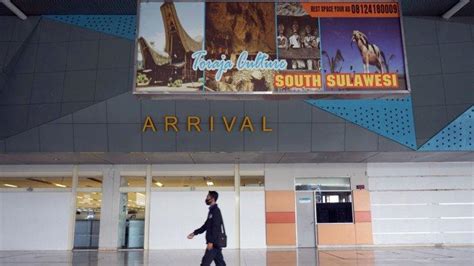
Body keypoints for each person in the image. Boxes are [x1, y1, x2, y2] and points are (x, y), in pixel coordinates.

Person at [187, 191, 226, 266]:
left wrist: (211, 242)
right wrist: (194, 233)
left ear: (213, 198)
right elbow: (206, 225)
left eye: (208, 197)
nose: (206, 198)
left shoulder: (216, 211)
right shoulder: (212, 210)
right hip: (216, 243)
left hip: (214, 243)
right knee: (220, 263)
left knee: (205, 263)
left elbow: (216, 228)